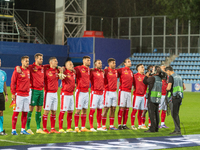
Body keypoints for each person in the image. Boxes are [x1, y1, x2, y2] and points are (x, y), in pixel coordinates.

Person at [16, 53, 47, 134]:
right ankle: (28, 128)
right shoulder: (30, 67)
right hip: (33, 90)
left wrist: (59, 67)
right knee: (30, 108)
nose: (41, 60)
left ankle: (38, 128)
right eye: (40, 59)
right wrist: (17, 67)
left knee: (39, 109)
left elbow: (53, 66)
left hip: (41, 90)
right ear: (36, 59)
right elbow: (20, 67)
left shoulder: (43, 67)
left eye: (42, 58)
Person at [11, 56, 30, 135]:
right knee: (16, 112)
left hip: (27, 95)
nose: (27, 62)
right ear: (22, 62)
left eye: (28, 61)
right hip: (19, 95)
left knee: (25, 112)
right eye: (26, 61)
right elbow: (12, 82)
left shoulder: (28, 71)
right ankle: (13, 130)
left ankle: (23, 130)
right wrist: (13, 93)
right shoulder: (17, 71)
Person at [165, 66, 186, 135]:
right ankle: (177, 129)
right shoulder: (179, 77)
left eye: (166, 72)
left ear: (168, 71)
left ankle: (177, 130)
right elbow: (184, 87)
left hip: (174, 98)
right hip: (179, 97)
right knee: (176, 114)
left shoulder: (171, 77)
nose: (167, 74)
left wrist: (166, 89)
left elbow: (169, 87)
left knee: (174, 114)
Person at [42, 57, 60, 134]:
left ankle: (52, 128)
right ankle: (45, 128)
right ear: (51, 62)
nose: (57, 62)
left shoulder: (57, 70)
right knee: (46, 111)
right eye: (55, 61)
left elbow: (65, 68)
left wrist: (61, 68)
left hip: (55, 93)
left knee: (54, 111)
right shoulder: (46, 70)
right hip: (48, 93)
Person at [74, 56, 91, 132]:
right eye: (88, 60)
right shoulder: (78, 68)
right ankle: (76, 127)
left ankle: (83, 127)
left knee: (85, 110)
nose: (89, 62)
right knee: (78, 110)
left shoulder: (89, 70)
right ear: (83, 61)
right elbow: (71, 70)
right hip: (80, 91)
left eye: (90, 60)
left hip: (86, 91)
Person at [143, 66, 162, 132]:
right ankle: (156, 128)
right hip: (157, 97)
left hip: (152, 97)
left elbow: (145, 81)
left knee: (151, 113)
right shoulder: (159, 78)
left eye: (153, 70)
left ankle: (152, 128)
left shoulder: (152, 78)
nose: (151, 70)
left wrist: (146, 76)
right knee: (156, 113)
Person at [58, 61, 76, 133]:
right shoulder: (64, 71)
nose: (72, 65)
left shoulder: (73, 73)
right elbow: (60, 77)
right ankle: (60, 128)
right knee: (63, 111)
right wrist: (61, 70)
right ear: (66, 66)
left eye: (72, 64)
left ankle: (69, 128)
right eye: (70, 64)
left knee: (70, 111)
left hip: (71, 94)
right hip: (65, 94)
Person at [89, 60, 106, 132]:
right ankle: (91, 126)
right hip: (94, 93)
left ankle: (99, 126)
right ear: (95, 64)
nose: (101, 64)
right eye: (99, 63)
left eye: (101, 63)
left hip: (101, 93)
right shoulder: (92, 71)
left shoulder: (102, 72)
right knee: (92, 110)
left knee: (100, 110)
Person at [102, 58, 118, 130]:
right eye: (113, 63)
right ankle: (103, 125)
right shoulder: (106, 71)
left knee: (113, 109)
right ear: (109, 63)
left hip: (114, 91)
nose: (115, 64)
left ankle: (111, 125)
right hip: (107, 91)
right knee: (106, 108)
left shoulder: (116, 71)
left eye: (115, 63)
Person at [117, 58, 133, 130]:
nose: (130, 63)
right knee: (122, 108)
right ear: (125, 63)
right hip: (123, 91)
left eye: (130, 61)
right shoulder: (121, 70)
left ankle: (124, 124)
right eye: (128, 62)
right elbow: (113, 74)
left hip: (129, 92)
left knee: (127, 109)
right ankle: (119, 125)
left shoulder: (131, 71)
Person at [131, 64, 147, 130]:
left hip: (143, 96)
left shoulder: (145, 76)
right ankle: (132, 125)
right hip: (136, 95)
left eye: (143, 67)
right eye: (142, 67)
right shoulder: (135, 76)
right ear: (138, 69)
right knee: (135, 110)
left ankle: (140, 125)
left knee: (141, 111)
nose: (143, 68)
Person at [0, 58, 8, 135]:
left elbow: (5, 85)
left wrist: (6, 94)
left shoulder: (3, 73)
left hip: (1, 94)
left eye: (0, 61)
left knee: (1, 111)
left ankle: (1, 130)